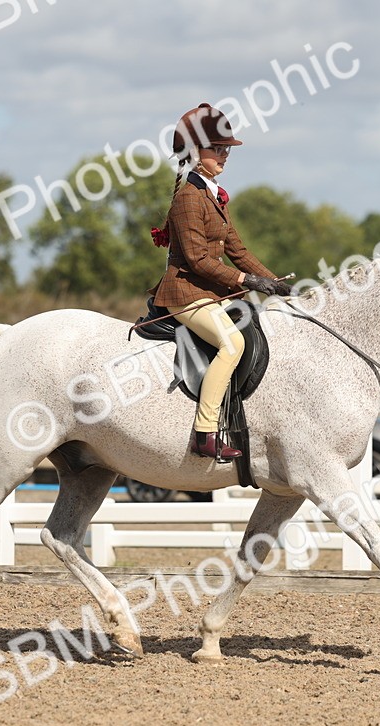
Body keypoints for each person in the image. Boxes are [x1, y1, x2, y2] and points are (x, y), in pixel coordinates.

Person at [149, 102, 291, 460]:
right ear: (196, 153)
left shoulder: (214, 196)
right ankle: (205, 432)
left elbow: (236, 249)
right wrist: (246, 279)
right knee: (231, 344)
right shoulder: (188, 198)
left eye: (227, 149)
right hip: (185, 293)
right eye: (217, 149)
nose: (225, 155)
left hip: (210, 292)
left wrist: (275, 284)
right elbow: (197, 259)